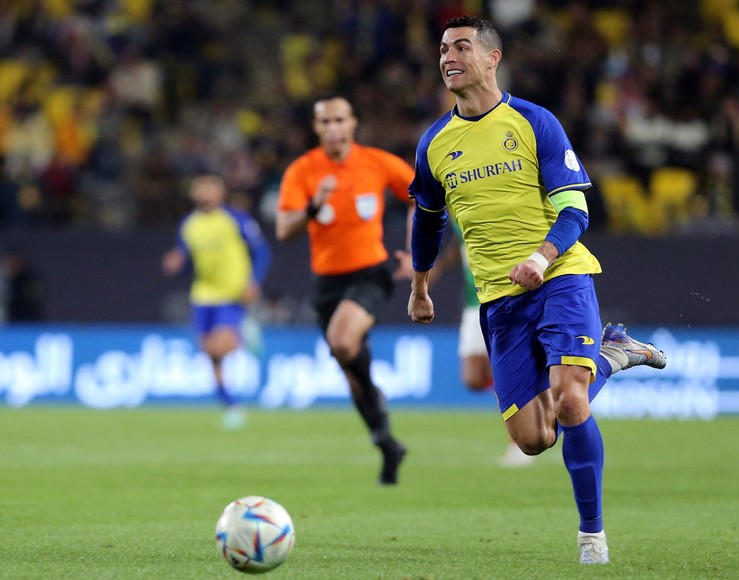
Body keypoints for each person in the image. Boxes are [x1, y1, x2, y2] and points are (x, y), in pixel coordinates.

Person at [407, 16, 667, 565]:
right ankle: (614, 354)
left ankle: (591, 536)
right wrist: (421, 284)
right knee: (531, 438)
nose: (448, 57)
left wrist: (542, 255)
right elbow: (427, 221)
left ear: (492, 57)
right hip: (499, 300)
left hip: (559, 276)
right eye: (442, 49)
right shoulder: (434, 142)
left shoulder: (534, 121)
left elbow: (576, 208)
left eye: (460, 47)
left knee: (571, 399)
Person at [275, 94, 414, 486]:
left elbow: (421, 198)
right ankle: (386, 442)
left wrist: (415, 251)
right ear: (316, 128)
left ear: (353, 123)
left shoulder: (378, 162)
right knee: (352, 375)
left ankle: (377, 407)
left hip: (370, 273)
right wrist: (314, 208)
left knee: (341, 340)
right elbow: (284, 231)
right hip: (327, 283)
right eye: (324, 122)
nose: (333, 128)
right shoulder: (303, 171)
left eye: (339, 120)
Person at [162, 174, 271, 429]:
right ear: (193, 194)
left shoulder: (236, 219)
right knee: (210, 354)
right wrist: (178, 264)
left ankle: (245, 335)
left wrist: (253, 280)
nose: (205, 193)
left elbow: (262, 251)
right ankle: (233, 406)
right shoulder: (188, 225)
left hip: (232, 292)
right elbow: (189, 263)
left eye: (211, 189)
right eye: (201, 189)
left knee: (220, 347)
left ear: (221, 193)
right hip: (203, 294)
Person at [429, 221, 533, 467]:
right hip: (471, 300)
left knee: (502, 374)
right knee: (474, 378)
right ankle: (532, 389)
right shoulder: (455, 205)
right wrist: (440, 266)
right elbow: (460, 241)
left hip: (499, 296)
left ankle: (518, 443)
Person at [1, 247, 45, 322]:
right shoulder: (3, 278)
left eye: (15, 262)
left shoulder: (29, 278)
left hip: (27, 319)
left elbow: (34, 299)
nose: (12, 265)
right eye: (10, 262)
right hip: (5, 320)